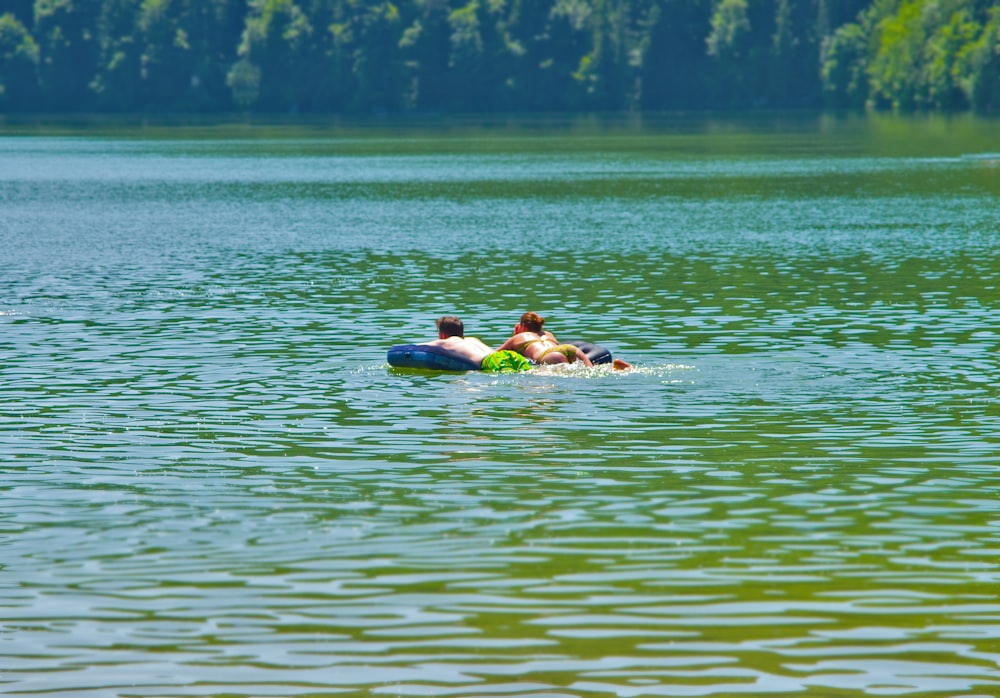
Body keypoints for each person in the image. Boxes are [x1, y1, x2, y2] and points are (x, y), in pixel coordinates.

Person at [422, 316, 531, 373]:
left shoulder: (446, 342)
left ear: (443, 334)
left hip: (492, 361)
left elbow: (419, 347)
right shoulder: (473, 339)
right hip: (508, 355)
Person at [497, 312, 595, 367]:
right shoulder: (548, 334)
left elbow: (494, 354)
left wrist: (516, 333)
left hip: (550, 355)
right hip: (569, 348)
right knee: (590, 371)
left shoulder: (518, 337)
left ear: (522, 326)